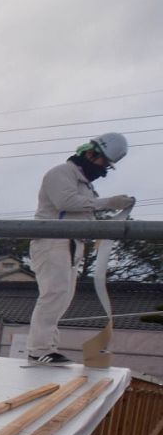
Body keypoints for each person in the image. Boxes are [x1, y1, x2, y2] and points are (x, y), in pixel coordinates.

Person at [27, 133, 134, 364]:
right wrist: (109, 202)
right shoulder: (61, 173)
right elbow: (65, 202)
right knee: (53, 295)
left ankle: (47, 347)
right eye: (103, 162)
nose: (103, 169)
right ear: (90, 153)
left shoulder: (85, 184)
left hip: (72, 244)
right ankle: (39, 349)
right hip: (52, 241)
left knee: (63, 297)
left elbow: (84, 215)